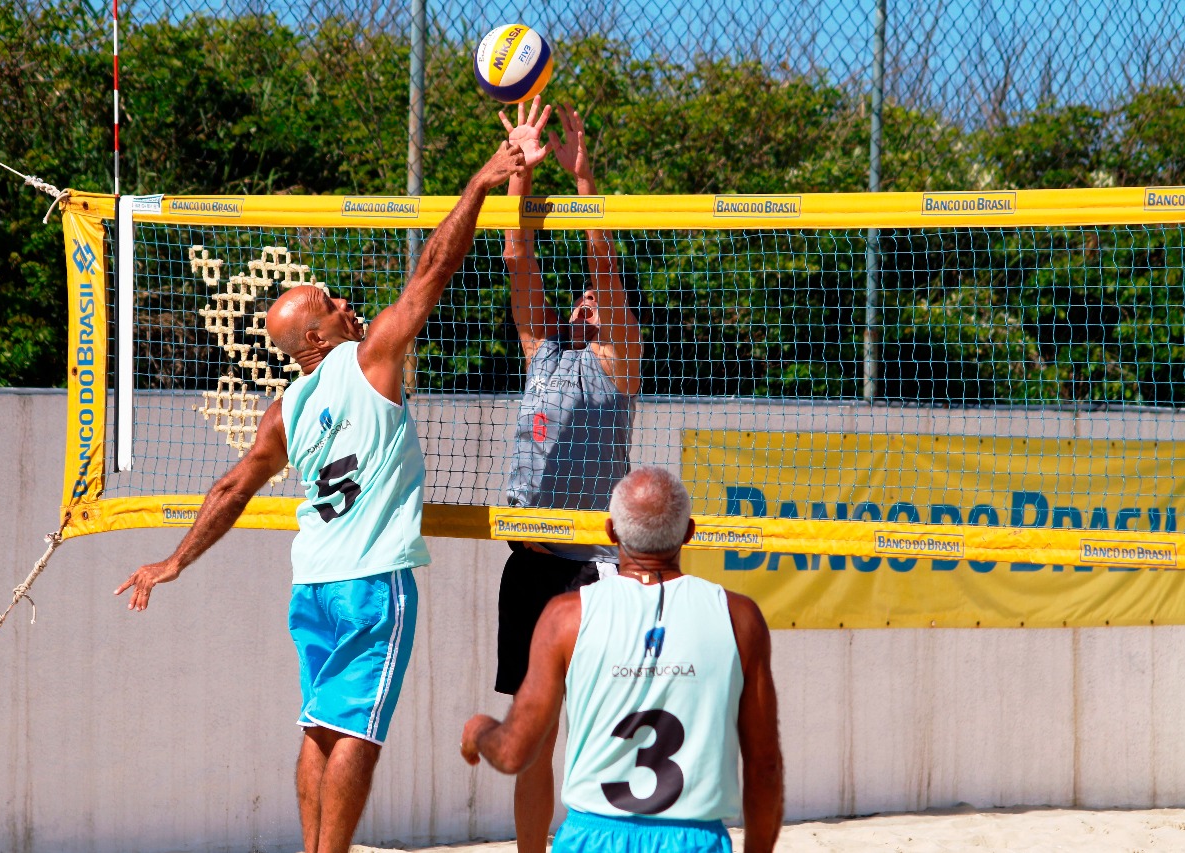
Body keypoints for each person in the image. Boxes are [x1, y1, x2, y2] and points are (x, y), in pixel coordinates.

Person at [114, 140, 529, 853]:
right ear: (315, 334)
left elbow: (230, 488)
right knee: (359, 734)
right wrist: (481, 182)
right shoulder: (368, 359)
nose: (345, 302)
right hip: (371, 583)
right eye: (331, 303)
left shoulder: (285, 409)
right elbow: (433, 267)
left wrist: (174, 561)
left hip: (312, 584)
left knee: (318, 727)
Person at [463, 467, 784, 853]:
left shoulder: (566, 617)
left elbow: (516, 752)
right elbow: (765, 768)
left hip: (595, 835)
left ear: (611, 531)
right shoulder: (740, 618)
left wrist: (479, 730)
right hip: (694, 837)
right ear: (689, 533)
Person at [496, 96, 644, 852]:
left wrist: (585, 186)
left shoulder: (618, 361)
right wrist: (521, 171)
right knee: (532, 734)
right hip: (529, 562)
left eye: (594, 301)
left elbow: (604, 264)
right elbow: (519, 259)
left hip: (592, 572)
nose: (585, 302)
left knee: (605, 726)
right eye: (580, 300)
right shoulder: (544, 351)